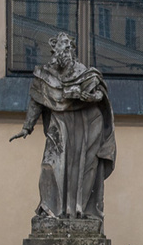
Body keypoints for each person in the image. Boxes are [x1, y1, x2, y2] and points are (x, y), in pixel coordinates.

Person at [10, 32, 115, 221]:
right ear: (54, 50)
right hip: (59, 125)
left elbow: (100, 95)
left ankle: (78, 210)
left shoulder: (84, 73)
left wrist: (86, 96)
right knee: (50, 164)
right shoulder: (45, 74)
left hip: (85, 123)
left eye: (68, 47)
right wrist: (27, 127)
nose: (65, 51)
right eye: (61, 47)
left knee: (83, 166)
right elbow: (37, 99)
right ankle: (50, 209)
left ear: (72, 51)